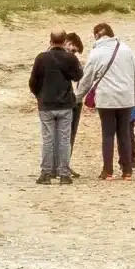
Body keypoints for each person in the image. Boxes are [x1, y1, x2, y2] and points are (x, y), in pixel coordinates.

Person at [81, 21, 135, 180]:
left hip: (106, 99)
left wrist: (77, 96)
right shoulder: (126, 49)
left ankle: (108, 171)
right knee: (124, 133)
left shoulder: (95, 53)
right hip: (126, 98)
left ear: (97, 35)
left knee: (108, 134)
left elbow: (87, 78)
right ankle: (127, 171)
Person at [29, 31, 84, 183]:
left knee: (48, 139)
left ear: (51, 41)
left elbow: (33, 81)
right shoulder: (70, 58)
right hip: (65, 104)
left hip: (46, 104)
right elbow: (78, 76)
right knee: (64, 139)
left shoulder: (41, 58)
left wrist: (39, 95)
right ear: (64, 41)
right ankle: (64, 174)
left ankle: (46, 173)